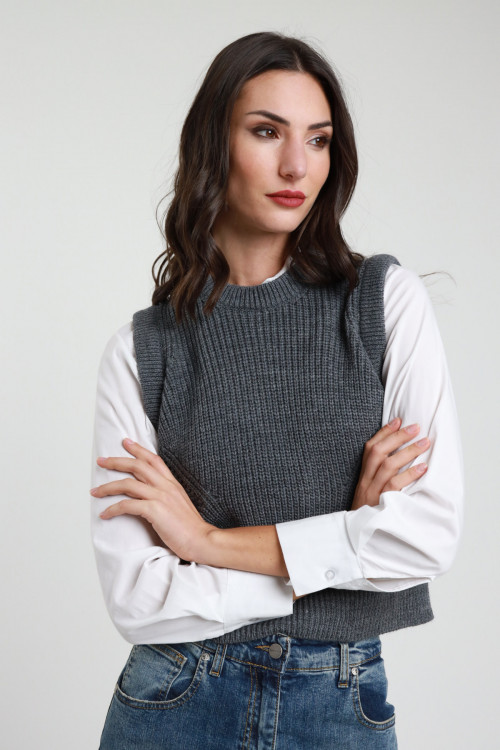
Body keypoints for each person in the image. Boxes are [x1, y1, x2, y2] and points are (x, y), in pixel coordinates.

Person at [90, 31, 463, 749]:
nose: (297, 165)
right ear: (213, 145)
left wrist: (205, 542)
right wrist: (342, 547)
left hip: (338, 703)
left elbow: (425, 539)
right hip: (174, 696)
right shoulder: (142, 350)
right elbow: (139, 600)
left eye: (318, 140)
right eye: (267, 132)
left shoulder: (382, 304)